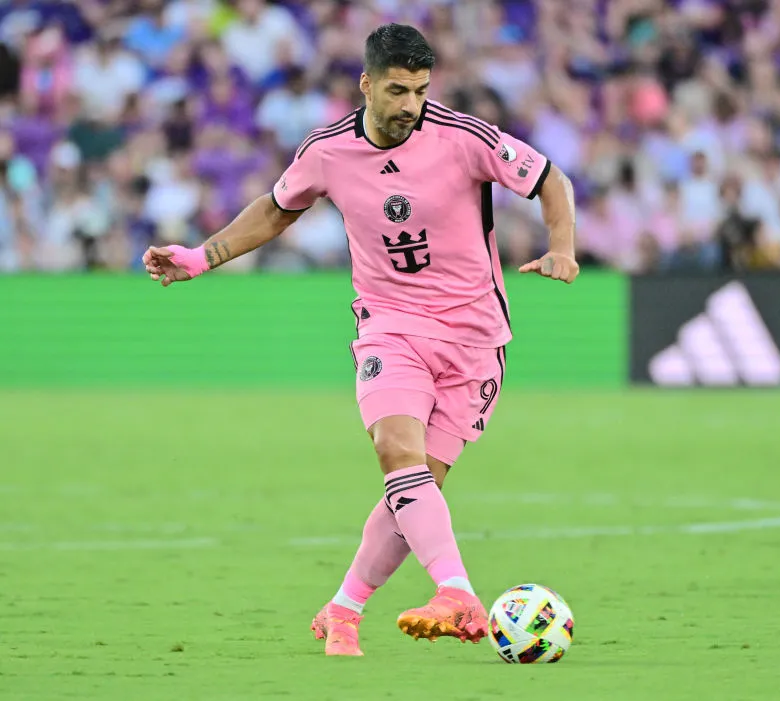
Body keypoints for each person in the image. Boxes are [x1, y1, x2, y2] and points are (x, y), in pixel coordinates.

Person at [142, 24, 579, 656]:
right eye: (398, 91)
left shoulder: (463, 137)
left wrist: (562, 247)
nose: (410, 106)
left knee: (413, 492)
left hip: (477, 340)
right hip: (391, 325)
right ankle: (456, 592)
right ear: (366, 84)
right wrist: (201, 257)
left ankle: (343, 609)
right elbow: (275, 208)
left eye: (421, 91)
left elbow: (549, 179)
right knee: (395, 451)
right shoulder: (327, 151)